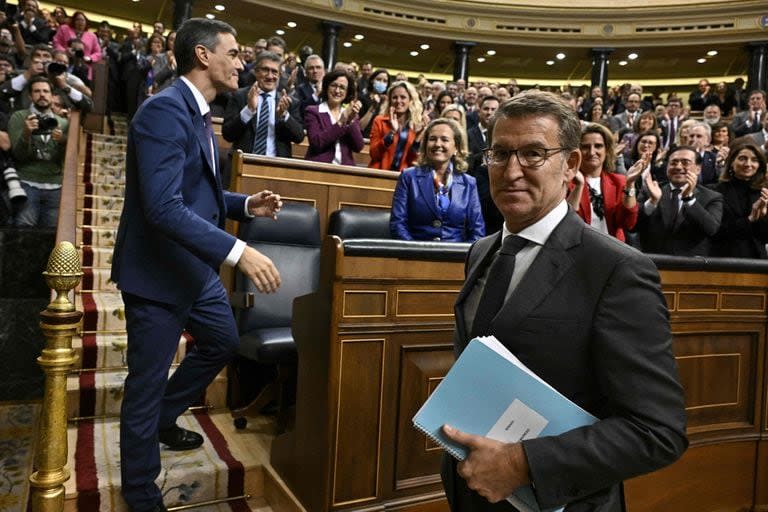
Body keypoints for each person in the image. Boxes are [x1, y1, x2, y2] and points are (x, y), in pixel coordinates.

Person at [440, 90, 687, 511]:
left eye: (533, 154)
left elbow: (658, 431)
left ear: (571, 164)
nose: (511, 170)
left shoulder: (617, 269)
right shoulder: (482, 251)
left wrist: (525, 463)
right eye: (500, 153)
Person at [110, 18, 283, 512]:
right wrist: (239, 251)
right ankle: (141, 492)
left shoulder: (198, 112)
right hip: (157, 275)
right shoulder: (163, 111)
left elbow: (196, 192)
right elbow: (162, 207)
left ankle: (166, 416)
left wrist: (246, 207)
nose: (241, 63)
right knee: (143, 385)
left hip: (193, 270)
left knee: (224, 341)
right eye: (233, 52)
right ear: (204, 56)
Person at [389, 118, 484, 241]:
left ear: (456, 147)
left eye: (445, 139)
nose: (438, 144)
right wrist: (414, 253)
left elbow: (477, 231)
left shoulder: (469, 183)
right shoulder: (408, 177)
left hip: (456, 257)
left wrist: (462, 257)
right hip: (414, 254)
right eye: (432, 139)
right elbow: (398, 224)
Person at [636, 145, 724, 256]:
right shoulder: (650, 190)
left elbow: (711, 229)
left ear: (698, 169)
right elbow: (633, 225)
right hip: (653, 262)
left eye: (685, 162)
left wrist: (689, 199)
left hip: (691, 266)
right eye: (673, 162)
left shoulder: (712, 197)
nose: (678, 167)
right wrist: (652, 202)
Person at [7, 76, 68, 227]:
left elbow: (65, 159)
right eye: (37, 91)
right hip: (27, 183)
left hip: (55, 186)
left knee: (51, 235)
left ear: (52, 96)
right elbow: (18, 156)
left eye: (46, 91)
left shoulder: (63, 123)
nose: (42, 94)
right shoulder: (19, 117)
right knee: (23, 230)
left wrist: (61, 142)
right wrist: (26, 134)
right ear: (30, 96)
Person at [567, 123, 641, 242]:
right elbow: (565, 224)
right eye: (585, 147)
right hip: (576, 249)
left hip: (611, 251)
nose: (592, 152)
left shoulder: (619, 181)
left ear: (607, 150)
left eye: (598, 146)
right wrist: (578, 186)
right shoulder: (566, 181)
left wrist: (630, 184)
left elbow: (628, 223)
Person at [711, 142, 768, 258]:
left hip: (758, 261)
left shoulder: (764, 193)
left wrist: (762, 217)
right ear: (731, 162)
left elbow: (765, 237)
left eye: (754, 160)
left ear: (759, 165)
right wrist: (749, 219)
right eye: (742, 158)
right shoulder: (715, 191)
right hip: (724, 259)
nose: (748, 164)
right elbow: (715, 231)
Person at [303, 69, 364, 165]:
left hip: (345, 171)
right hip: (318, 169)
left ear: (347, 92)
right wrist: (341, 122)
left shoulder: (351, 113)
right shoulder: (313, 111)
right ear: (326, 87)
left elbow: (358, 146)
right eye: (333, 85)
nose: (337, 91)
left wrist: (350, 121)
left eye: (342, 87)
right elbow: (317, 143)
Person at [368, 80, 428, 172]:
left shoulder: (417, 125)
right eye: (394, 97)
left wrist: (417, 139)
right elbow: (374, 154)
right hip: (379, 174)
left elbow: (413, 161)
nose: (398, 101)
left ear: (410, 100)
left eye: (403, 97)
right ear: (390, 101)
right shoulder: (379, 121)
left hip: (403, 178)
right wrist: (391, 132)